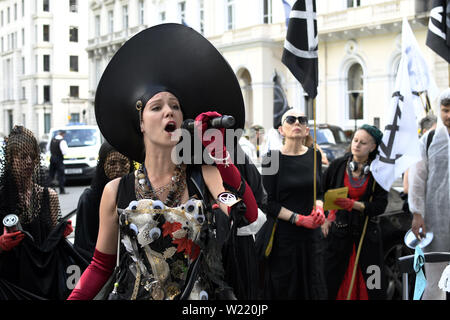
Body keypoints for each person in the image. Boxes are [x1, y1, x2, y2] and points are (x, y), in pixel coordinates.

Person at [67, 23, 259, 300]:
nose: (169, 111)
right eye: (157, 107)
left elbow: (247, 214)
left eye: (175, 106)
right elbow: (100, 266)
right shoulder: (116, 191)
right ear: (141, 124)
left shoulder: (204, 176)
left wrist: (217, 154)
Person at [0, 125, 83, 299]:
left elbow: (55, 243)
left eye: (33, 156)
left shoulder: (48, 195)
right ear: (10, 159)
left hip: (45, 279)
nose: (29, 161)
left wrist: (61, 232)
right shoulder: (1, 196)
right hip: (13, 282)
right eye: (23, 157)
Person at [261, 109, 326, 300]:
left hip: (312, 237)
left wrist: (320, 208)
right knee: (286, 289)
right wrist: (298, 219)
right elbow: (268, 203)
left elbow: (319, 192)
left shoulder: (314, 156)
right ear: (282, 130)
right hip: (284, 238)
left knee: (313, 287)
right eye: (291, 119)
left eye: (301, 120)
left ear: (307, 129)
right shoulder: (271, 158)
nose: (296, 122)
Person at [321, 124, 388, 300]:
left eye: (363, 143)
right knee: (332, 281)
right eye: (355, 140)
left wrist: (355, 205)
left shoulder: (378, 172)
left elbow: (381, 206)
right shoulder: (337, 166)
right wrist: (326, 218)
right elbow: (321, 193)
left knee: (372, 285)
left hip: (367, 238)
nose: (356, 145)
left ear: (373, 147)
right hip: (339, 237)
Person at [408, 88, 450, 300]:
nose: (449, 116)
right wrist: (417, 213)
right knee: (436, 282)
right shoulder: (430, 139)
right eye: (445, 110)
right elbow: (417, 179)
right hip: (435, 224)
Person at [74, 141, 134, 261]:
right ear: (102, 165)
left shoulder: (136, 194)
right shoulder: (89, 199)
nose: (118, 169)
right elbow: (83, 246)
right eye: (112, 163)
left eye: (123, 163)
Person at [48, 130, 68, 194]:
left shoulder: (52, 140)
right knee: (61, 175)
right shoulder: (62, 141)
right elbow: (64, 152)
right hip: (59, 159)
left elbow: (48, 148)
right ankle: (62, 190)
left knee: (51, 174)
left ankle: (49, 190)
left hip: (52, 158)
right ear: (63, 134)